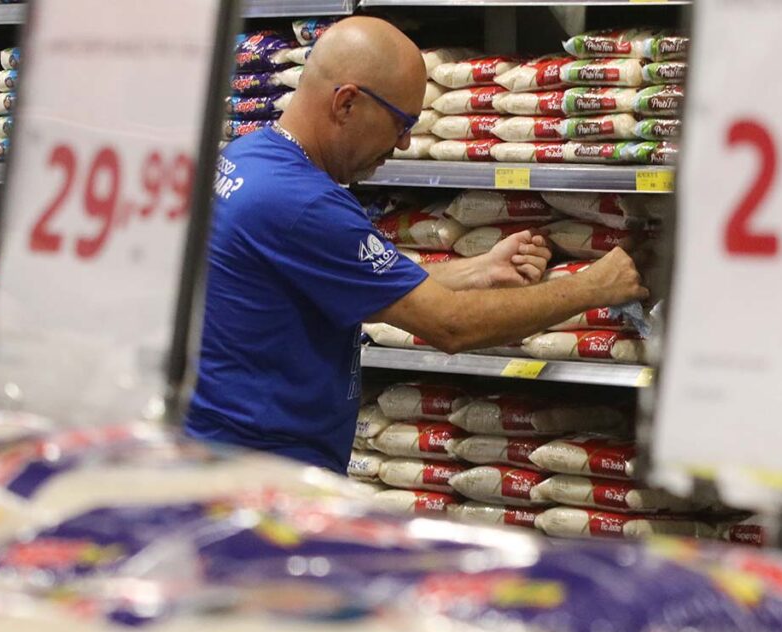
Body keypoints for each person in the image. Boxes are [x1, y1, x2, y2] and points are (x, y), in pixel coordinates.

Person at [186, 17, 649, 474]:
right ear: (347, 103)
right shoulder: (305, 203)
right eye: (401, 122)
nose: (405, 143)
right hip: (262, 473)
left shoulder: (251, 157)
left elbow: (349, 281)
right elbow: (451, 327)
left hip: (226, 453)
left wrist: (476, 271)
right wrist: (594, 287)